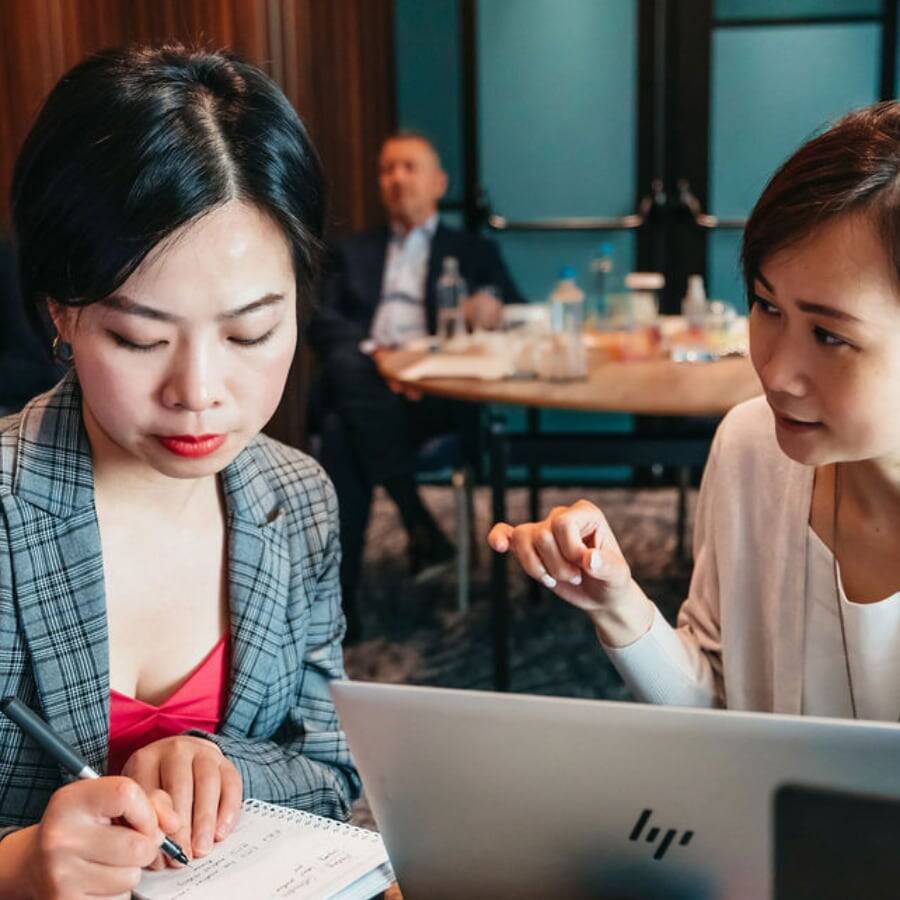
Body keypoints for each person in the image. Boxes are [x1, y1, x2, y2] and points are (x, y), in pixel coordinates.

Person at [0, 45, 361, 898]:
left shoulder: (296, 498)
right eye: (139, 339)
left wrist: (216, 762)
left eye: (250, 335)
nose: (199, 394)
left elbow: (332, 769)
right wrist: (16, 867)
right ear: (62, 311)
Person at [490, 101, 900, 720]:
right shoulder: (753, 449)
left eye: (829, 336)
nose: (776, 373)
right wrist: (618, 605)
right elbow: (719, 704)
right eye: (767, 307)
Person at [309, 131, 523, 634]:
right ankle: (411, 528)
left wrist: (490, 309)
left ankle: (342, 608)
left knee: (345, 423)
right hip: (372, 382)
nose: (396, 178)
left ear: (438, 182)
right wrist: (383, 364)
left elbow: (515, 309)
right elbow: (321, 320)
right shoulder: (352, 251)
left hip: (436, 395)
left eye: (409, 167)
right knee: (344, 399)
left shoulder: (472, 250)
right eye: (387, 169)